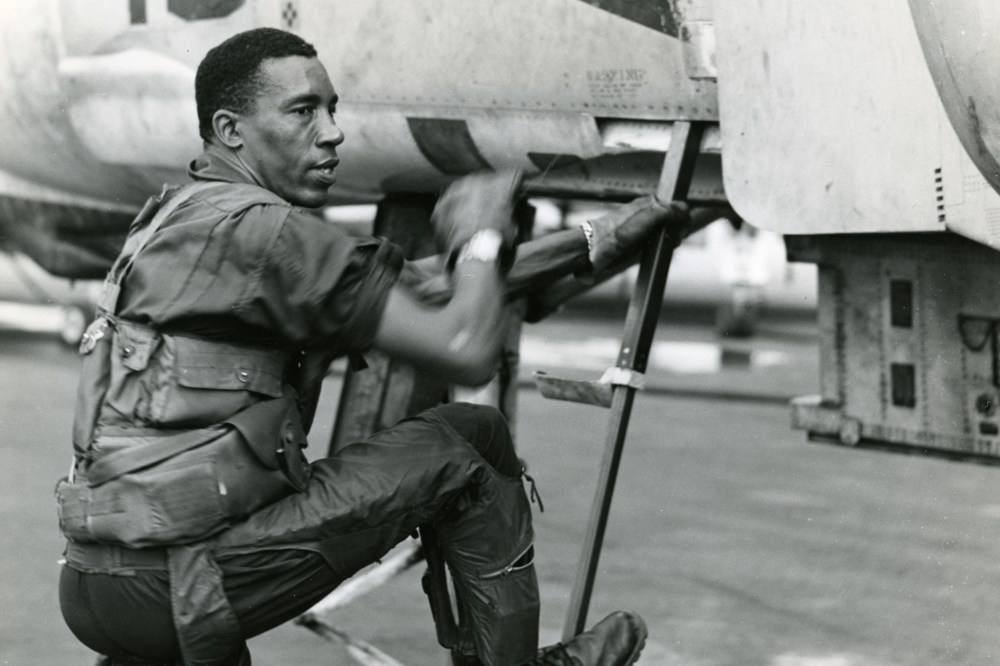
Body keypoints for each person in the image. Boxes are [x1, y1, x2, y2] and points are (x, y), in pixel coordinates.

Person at [56, 27, 689, 666]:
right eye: (303, 111)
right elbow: (465, 345)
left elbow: (410, 288)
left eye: (332, 109)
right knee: (469, 444)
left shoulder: (182, 213)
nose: (332, 132)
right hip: (184, 584)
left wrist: (588, 240)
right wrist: (480, 234)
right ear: (230, 128)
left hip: (100, 587)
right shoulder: (266, 232)